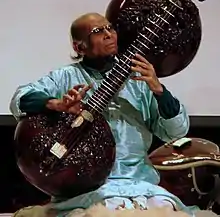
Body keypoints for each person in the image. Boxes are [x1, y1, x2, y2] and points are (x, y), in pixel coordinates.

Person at [10, 13, 194, 216]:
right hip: (86, 189)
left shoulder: (140, 80)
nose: (108, 34)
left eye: (110, 28)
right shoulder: (65, 77)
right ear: (79, 47)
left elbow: (176, 132)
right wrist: (57, 104)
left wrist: (160, 92)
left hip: (141, 184)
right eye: (98, 31)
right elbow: (20, 99)